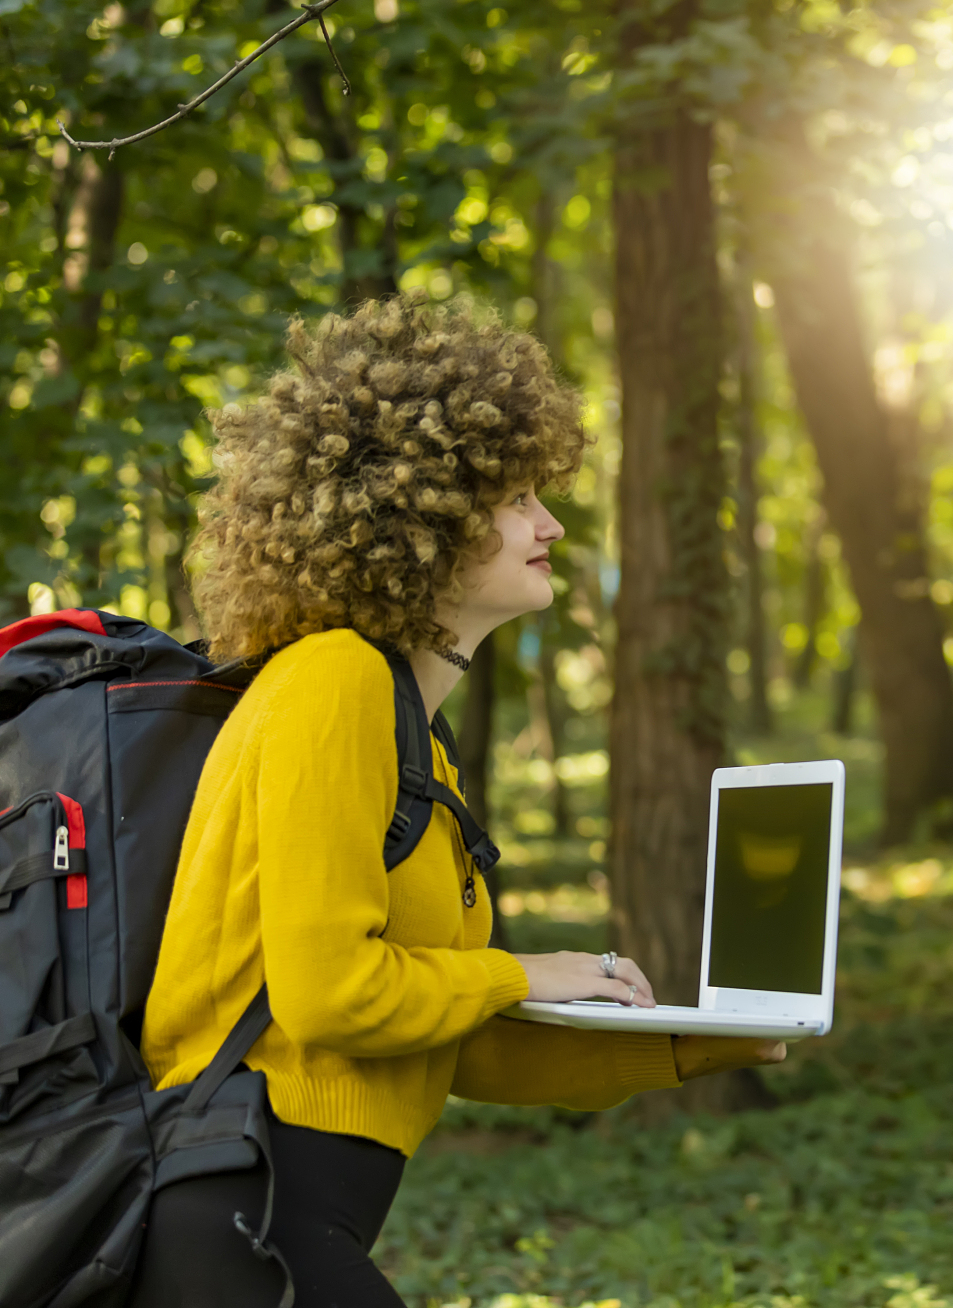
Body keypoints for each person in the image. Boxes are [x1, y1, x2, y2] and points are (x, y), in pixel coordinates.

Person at [134, 294, 782, 1306]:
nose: (550, 522)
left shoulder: (412, 738)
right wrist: (523, 971)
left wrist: (711, 1039)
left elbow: (445, 1032)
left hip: (287, 1220)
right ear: (416, 514)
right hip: (243, 1216)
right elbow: (331, 994)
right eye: (516, 497)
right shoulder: (331, 682)